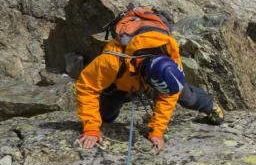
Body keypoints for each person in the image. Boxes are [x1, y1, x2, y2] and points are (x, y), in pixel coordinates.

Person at [74, 24, 224, 153]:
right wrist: (91, 128)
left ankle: (209, 105)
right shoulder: (112, 61)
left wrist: (157, 131)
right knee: (105, 116)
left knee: (187, 97)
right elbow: (87, 87)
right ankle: (117, 103)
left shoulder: (170, 56)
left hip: (149, 77)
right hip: (120, 81)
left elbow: (168, 97)